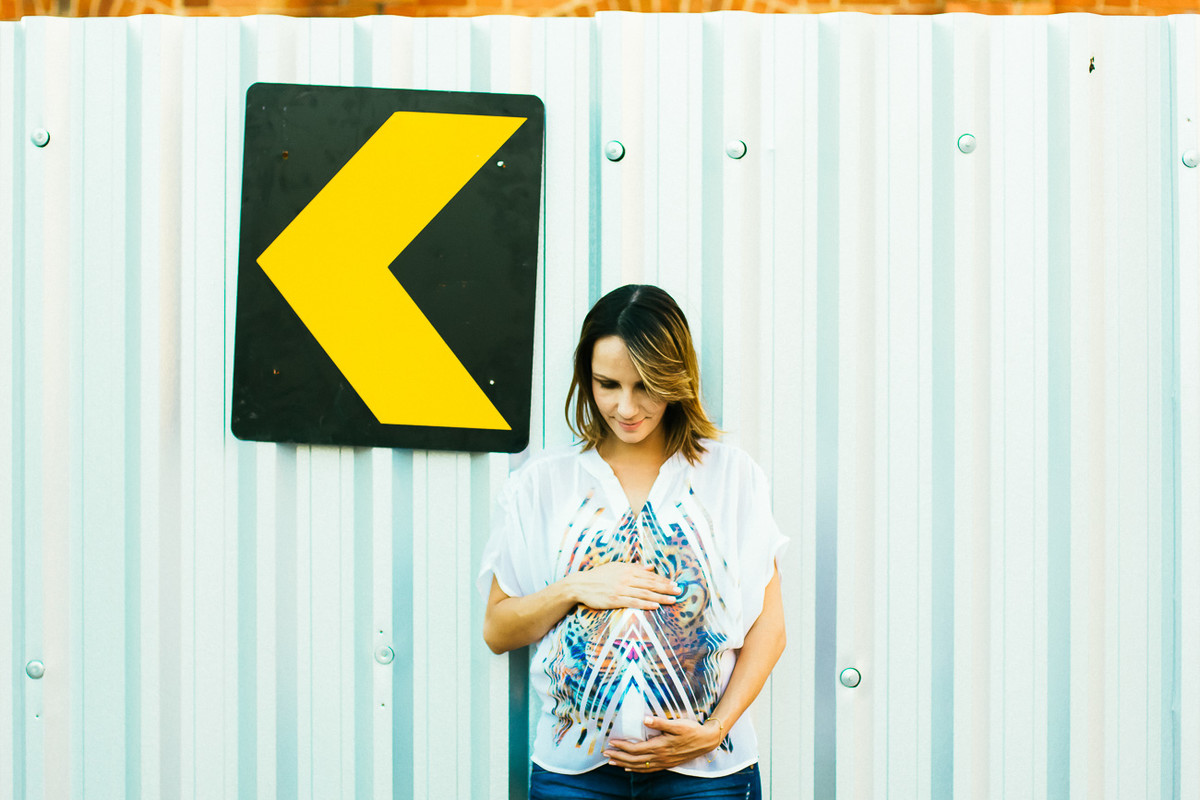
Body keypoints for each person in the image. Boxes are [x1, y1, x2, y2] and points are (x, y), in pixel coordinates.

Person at [477, 284, 787, 800]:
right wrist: (576, 587)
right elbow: (497, 630)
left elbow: (769, 629)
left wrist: (715, 731)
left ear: (676, 377)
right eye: (607, 384)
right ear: (586, 379)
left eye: (645, 385)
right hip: (575, 779)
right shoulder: (542, 485)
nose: (625, 407)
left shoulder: (731, 477)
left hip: (707, 775)